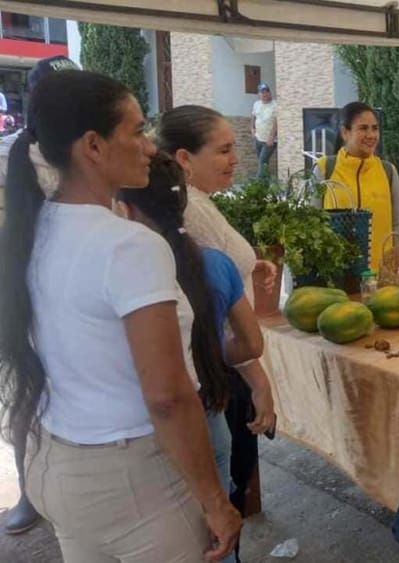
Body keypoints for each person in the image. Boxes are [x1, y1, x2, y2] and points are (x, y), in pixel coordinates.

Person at [0, 69, 241, 561]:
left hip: (57, 461)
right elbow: (169, 396)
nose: (150, 145)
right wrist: (216, 501)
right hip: (134, 477)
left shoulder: (33, 232)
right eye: (136, 130)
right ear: (93, 145)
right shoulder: (130, 245)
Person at [116, 153, 271, 563]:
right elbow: (251, 343)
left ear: (124, 209)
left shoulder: (129, 270)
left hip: (153, 432)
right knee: (218, 530)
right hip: (209, 419)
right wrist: (206, 353)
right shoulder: (216, 264)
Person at [156, 105, 277, 556]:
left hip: (220, 368)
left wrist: (250, 264)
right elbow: (215, 314)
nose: (235, 159)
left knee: (227, 488)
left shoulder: (197, 205)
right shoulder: (190, 212)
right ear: (184, 158)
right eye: (224, 150)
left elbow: (220, 274)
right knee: (225, 493)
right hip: (222, 371)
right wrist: (258, 378)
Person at [0, 54, 80, 537]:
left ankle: (68, 484)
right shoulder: (10, 158)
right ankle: (31, 490)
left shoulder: (90, 154)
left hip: (78, 293)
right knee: (26, 392)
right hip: (24, 294)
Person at [313, 102, 399, 270]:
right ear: (345, 132)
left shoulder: (388, 171)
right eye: (363, 128)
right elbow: (313, 222)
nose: (371, 135)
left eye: (375, 128)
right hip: (337, 276)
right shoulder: (325, 169)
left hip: (381, 277)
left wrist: (397, 264)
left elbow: (396, 224)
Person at [251, 83, 277, 179]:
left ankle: (258, 185)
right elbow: (253, 117)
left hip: (269, 140)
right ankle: (265, 185)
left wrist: (271, 137)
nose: (265, 94)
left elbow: (276, 121)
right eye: (262, 92)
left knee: (262, 161)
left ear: (269, 93)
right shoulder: (256, 104)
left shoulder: (275, 104)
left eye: (266, 92)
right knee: (263, 162)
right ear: (259, 94)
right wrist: (252, 129)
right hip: (258, 138)